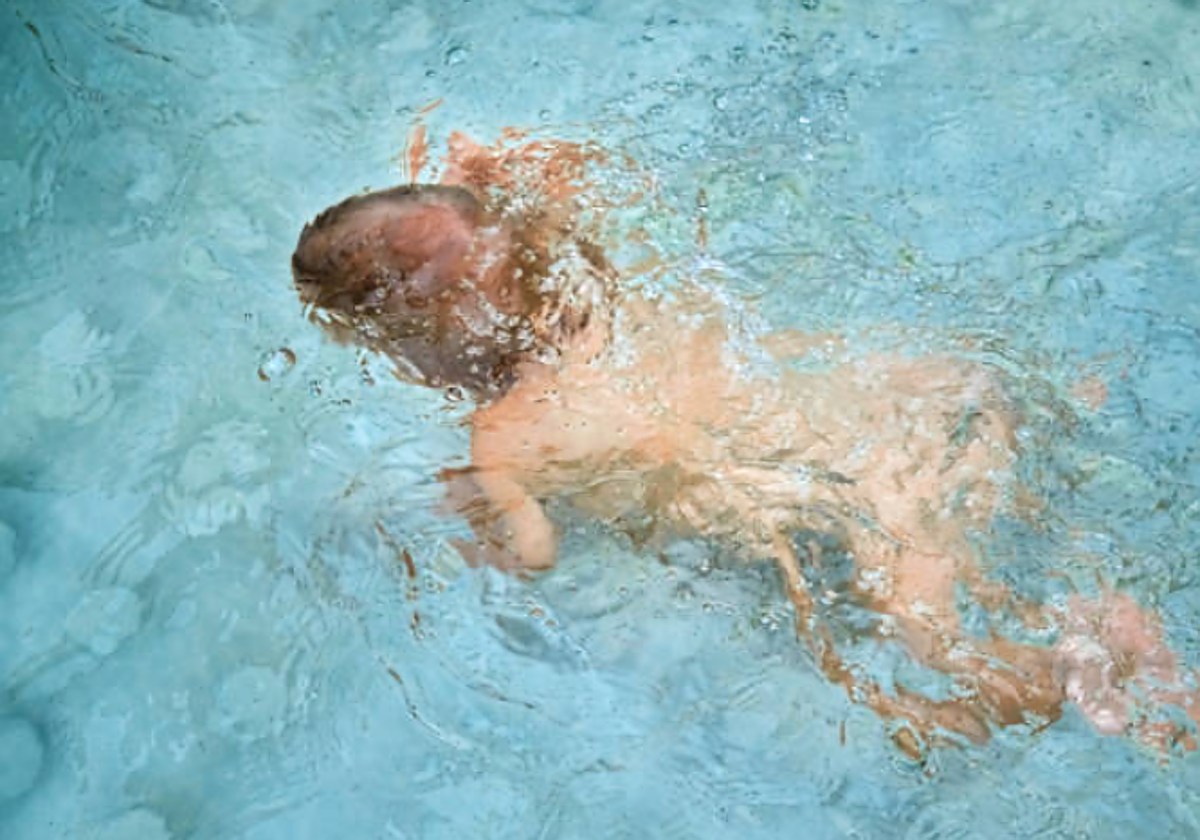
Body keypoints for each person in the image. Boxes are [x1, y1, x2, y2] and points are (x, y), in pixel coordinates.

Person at [292, 132, 1199, 755]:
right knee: (996, 510)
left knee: (934, 691)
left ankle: (1086, 646)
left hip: (855, 487)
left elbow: (532, 552)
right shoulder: (589, 282)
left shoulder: (501, 435)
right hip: (904, 390)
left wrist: (472, 525)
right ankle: (1085, 581)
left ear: (408, 349)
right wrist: (491, 188)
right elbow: (550, 193)